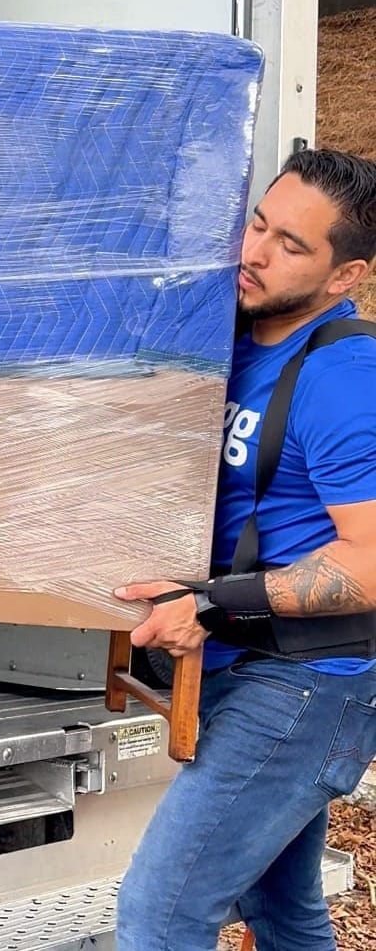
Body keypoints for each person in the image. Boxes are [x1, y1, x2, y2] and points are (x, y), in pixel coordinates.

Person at [113, 148, 376, 950]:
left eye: (292, 245)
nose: (255, 252)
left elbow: (371, 559)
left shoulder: (343, 374)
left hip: (304, 684)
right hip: (243, 666)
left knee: (161, 914)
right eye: (257, 224)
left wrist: (213, 602)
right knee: (281, 909)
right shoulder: (232, 340)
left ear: (345, 276)